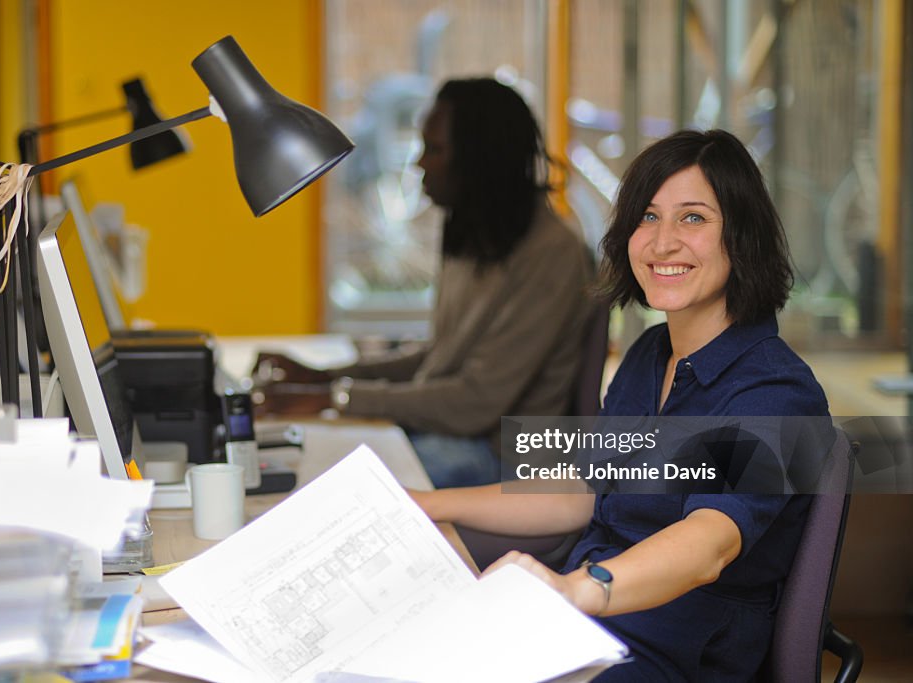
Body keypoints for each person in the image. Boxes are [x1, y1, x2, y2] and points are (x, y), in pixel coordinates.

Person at [410, 129, 831, 681]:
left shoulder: (778, 394)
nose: (662, 243)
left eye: (694, 218)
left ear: (742, 236)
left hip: (674, 652)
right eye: (648, 217)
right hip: (592, 625)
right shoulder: (649, 356)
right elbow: (583, 492)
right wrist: (428, 504)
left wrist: (577, 588)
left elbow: (707, 544)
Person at [254, 78, 595, 489]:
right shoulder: (477, 234)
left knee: (337, 483)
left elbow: (476, 401)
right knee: (307, 459)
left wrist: (335, 397)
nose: (419, 164)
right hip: (456, 434)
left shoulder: (552, 253)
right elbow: (440, 359)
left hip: (503, 458)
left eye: (434, 149)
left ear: (478, 160)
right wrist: (322, 377)